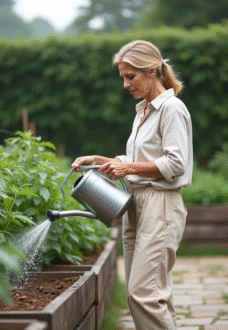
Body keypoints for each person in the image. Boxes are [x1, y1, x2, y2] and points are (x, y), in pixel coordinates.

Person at [72, 40, 193, 330]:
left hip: (160, 206)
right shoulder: (145, 111)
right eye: (123, 78)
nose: (125, 85)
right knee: (147, 292)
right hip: (137, 205)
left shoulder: (171, 109)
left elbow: (176, 165)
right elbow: (140, 160)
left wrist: (128, 167)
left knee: (144, 293)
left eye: (131, 77)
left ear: (152, 71)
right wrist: (99, 159)